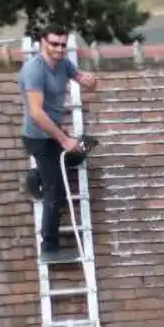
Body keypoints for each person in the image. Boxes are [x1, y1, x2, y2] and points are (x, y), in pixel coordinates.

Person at [19, 28, 99, 263]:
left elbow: (82, 79)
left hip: (54, 133)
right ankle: (49, 248)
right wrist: (64, 140)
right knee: (57, 194)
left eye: (63, 45)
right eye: (54, 44)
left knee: (84, 148)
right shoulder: (33, 70)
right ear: (42, 43)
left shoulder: (63, 63)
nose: (59, 49)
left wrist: (89, 81)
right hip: (38, 137)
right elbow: (36, 114)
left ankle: (39, 177)